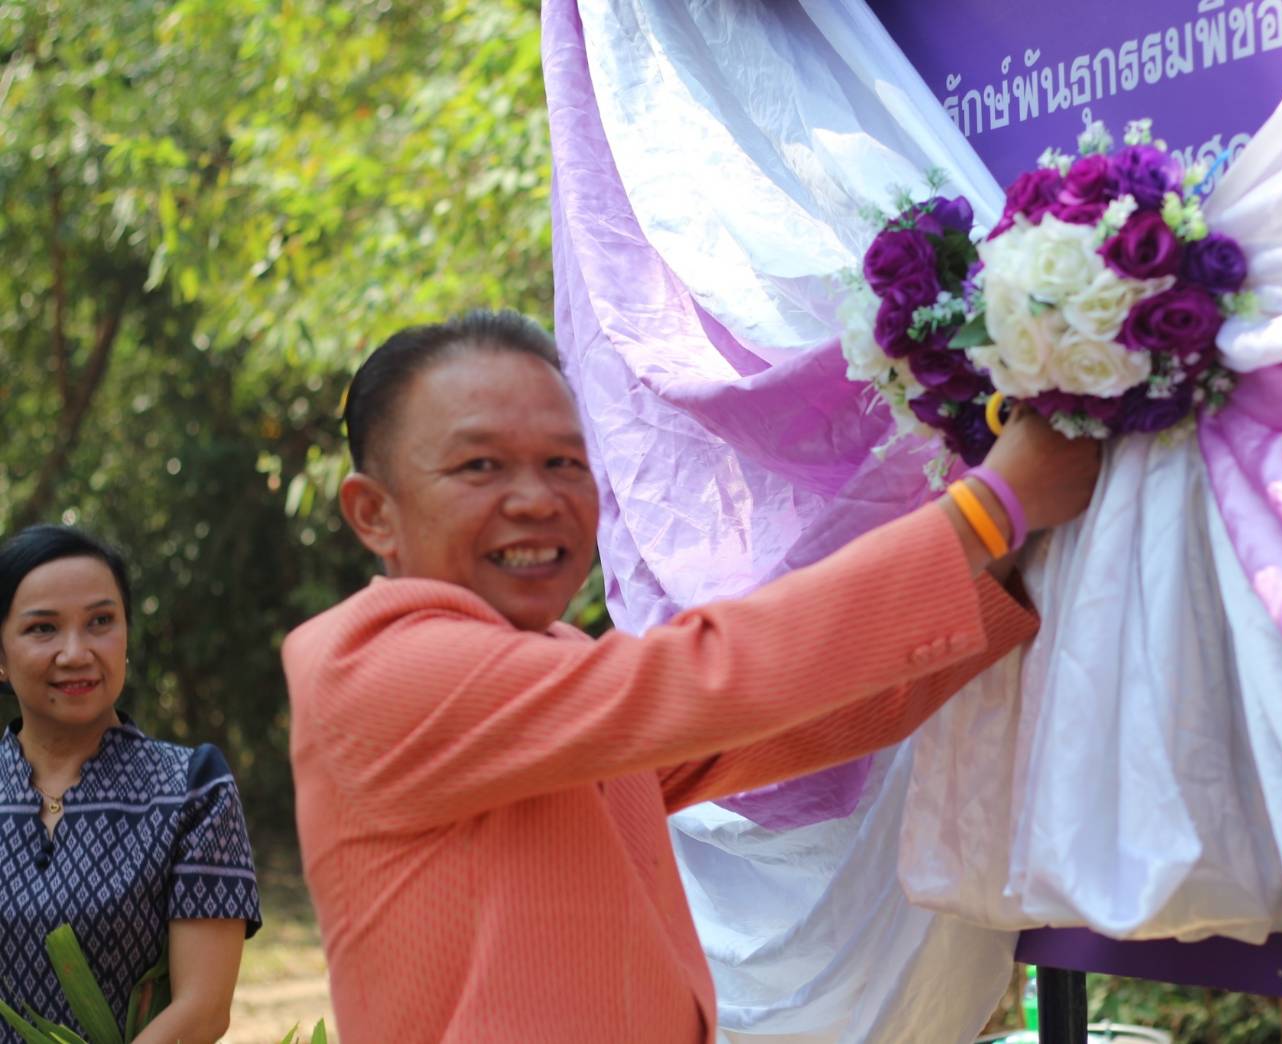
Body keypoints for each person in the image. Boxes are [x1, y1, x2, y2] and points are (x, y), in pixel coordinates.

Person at [283, 309, 1100, 1042]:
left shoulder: (552, 672)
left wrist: (1003, 570)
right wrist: (990, 508)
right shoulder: (374, 666)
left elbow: (787, 723)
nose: (535, 499)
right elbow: (714, 675)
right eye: (479, 467)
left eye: (565, 462)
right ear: (373, 512)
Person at [0, 526, 262, 1044]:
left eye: (100, 622)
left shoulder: (193, 791)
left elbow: (203, 1009)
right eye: (43, 628)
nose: (76, 653)